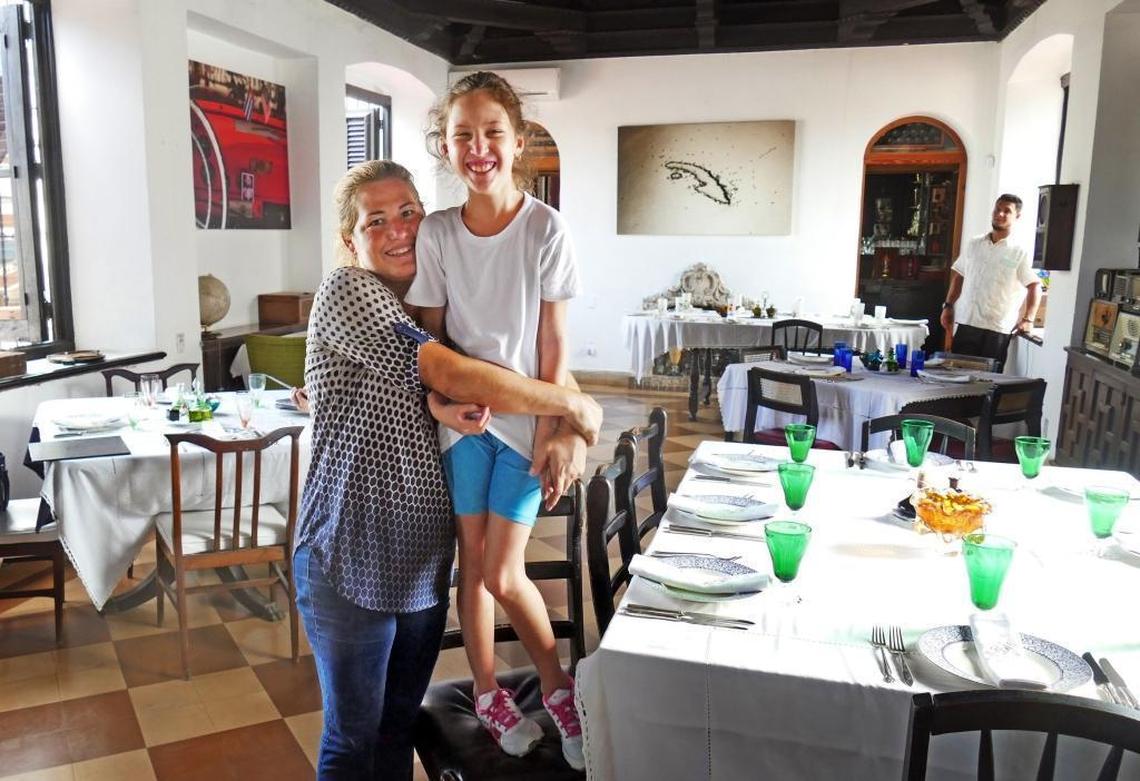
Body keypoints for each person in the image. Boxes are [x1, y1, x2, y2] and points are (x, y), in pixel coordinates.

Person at [294, 159, 601, 780]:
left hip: (419, 566)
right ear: (350, 241)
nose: (399, 228)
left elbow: (507, 368)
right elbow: (450, 373)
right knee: (352, 740)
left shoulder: (422, 311)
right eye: (375, 220)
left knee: (396, 728)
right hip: (349, 555)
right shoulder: (348, 290)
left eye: (408, 211)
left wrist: (565, 426)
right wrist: (571, 406)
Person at [404, 71, 586, 769]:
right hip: (464, 430)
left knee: (506, 573)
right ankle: (485, 690)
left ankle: (558, 686)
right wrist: (447, 405)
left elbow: (555, 345)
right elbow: (431, 340)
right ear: (446, 147)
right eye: (462, 136)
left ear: (518, 142)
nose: (477, 148)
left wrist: (551, 427)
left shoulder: (546, 228)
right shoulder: (441, 234)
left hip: (525, 426)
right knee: (472, 566)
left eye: (491, 133)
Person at [939, 194, 1041, 364]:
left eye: (1006, 211)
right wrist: (948, 305)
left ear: (1017, 216)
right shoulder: (974, 244)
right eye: (997, 209)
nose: (999, 214)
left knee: (988, 382)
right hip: (967, 322)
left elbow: (1034, 286)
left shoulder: (1019, 251)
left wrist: (1028, 319)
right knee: (956, 379)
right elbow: (959, 275)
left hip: (996, 329)